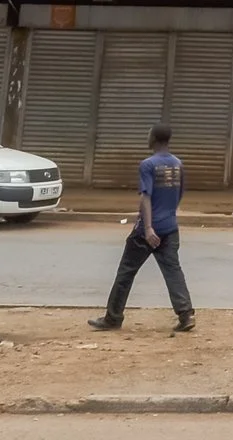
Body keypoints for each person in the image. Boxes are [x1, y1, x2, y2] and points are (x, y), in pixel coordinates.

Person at [89, 125, 192, 334]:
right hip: (170, 227)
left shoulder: (148, 165)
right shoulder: (178, 164)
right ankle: (185, 315)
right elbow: (180, 194)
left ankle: (113, 317)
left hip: (147, 230)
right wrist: (168, 215)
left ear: (153, 138)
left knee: (126, 272)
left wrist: (148, 228)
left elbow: (145, 196)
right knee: (173, 271)